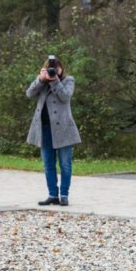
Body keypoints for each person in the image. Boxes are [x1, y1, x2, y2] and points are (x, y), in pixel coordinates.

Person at [26, 56, 81, 206]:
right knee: (48, 164)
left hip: (63, 130)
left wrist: (55, 80)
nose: (54, 71)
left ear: (61, 69)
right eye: (51, 69)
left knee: (65, 164)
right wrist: (40, 79)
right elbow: (29, 93)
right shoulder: (42, 82)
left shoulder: (68, 80)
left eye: (57, 68)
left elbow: (65, 96)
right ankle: (52, 194)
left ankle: (63, 195)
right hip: (44, 129)